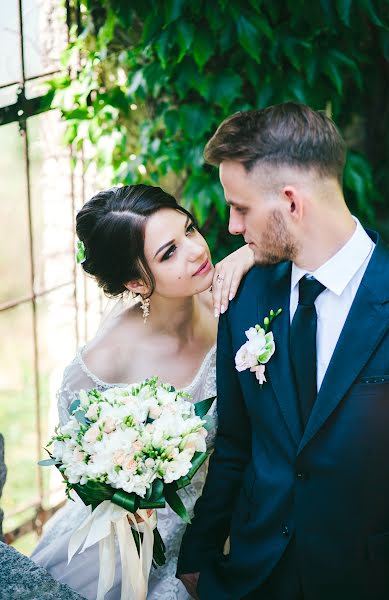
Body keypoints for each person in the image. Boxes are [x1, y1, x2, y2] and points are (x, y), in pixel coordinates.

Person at [177, 102, 389, 600]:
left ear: (292, 203)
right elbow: (235, 442)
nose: (232, 228)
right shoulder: (244, 296)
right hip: (254, 576)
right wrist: (200, 551)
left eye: (241, 208)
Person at [31, 184, 254, 599]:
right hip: (126, 543)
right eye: (168, 253)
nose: (196, 251)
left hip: (219, 514)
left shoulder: (224, 292)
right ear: (135, 282)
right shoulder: (104, 362)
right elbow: (81, 462)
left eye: (188, 229)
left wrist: (250, 252)